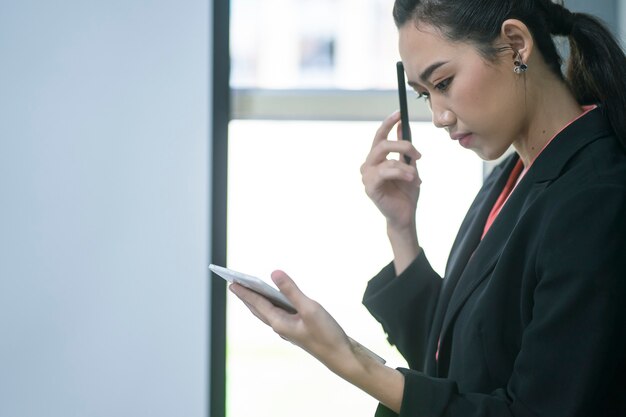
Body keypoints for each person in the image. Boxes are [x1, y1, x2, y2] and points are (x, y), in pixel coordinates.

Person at [230, 0, 626, 415]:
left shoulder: (597, 196)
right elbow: (459, 361)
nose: (438, 116)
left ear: (515, 45)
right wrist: (402, 230)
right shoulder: (515, 174)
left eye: (444, 82)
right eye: (424, 95)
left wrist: (352, 360)